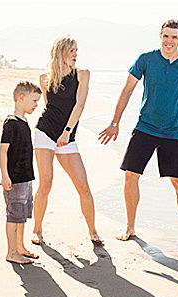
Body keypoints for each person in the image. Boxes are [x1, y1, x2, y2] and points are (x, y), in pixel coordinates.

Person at [98, 19, 178, 245]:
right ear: (160, 36)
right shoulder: (146, 59)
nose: (169, 41)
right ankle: (130, 226)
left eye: (174, 37)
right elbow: (127, 90)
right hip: (145, 128)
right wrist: (114, 122)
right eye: (166, 36)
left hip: (173, 133)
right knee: (131, 175)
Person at [32, 35, 102, 245]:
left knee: (83, 186)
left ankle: (93, 231)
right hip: (44, 133)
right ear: (61, 52)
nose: (75, 54)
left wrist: (67, 131)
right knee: (46, 183)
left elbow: (79, 105)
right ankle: (37, 230)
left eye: (76, 51)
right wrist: (57, 132)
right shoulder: (45, 78)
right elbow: (48, 105)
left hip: (67, 137)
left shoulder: (82, 74)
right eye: (72, 50)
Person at [0, 81, 42, 264]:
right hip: (15, 179)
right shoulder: (11, 122)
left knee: (22, 214)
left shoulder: (24, 121)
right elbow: (3, 151)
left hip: (26, 178)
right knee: (14, 215)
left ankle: (20, 247)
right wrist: (5, 176)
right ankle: (11, 252)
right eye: (34, 100)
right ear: (21, 98)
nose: (36, 105)